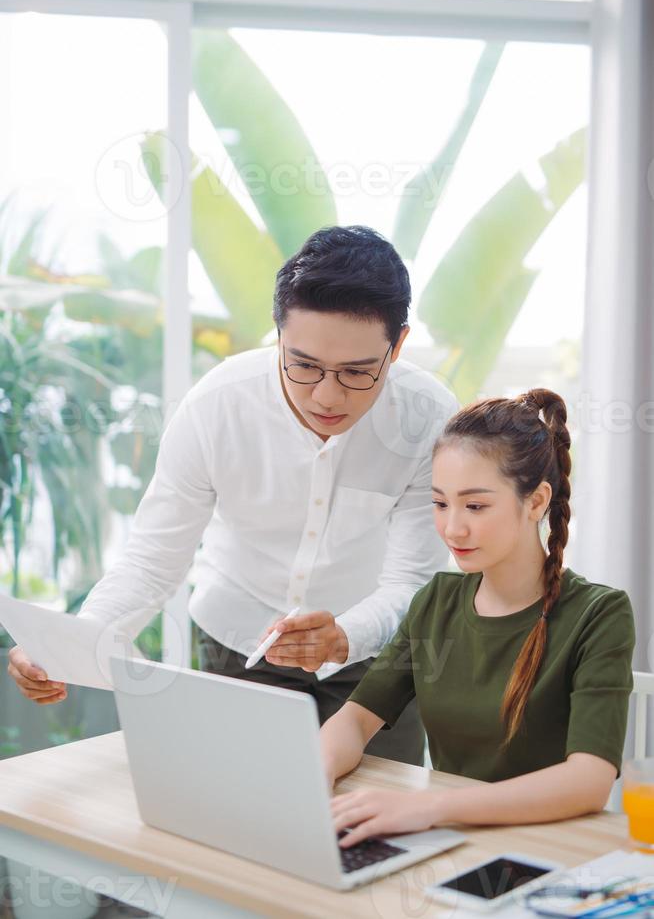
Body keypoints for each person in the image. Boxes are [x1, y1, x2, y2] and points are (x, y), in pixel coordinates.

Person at [8, 225, 457, 766]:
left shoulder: (427, 417)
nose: (327, 395)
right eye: (305, 365)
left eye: (358, 372)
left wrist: (344, 636)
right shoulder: (217, 406)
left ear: (398, 345)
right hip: (234, 646)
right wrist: (72, 648)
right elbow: (152, 561)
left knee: (375, 830)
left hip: (374, 658)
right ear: (277, 335)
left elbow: (413, 581)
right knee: (234, 822)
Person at [321, 389, 636, 846]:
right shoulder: (436, 601)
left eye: (475, 506)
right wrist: (316, 776)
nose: (453, 528)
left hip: (548, 845)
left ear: (535, 502)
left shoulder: (598, 614)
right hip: (451, 840)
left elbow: (588, 780)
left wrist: (430, 808)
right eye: (440, 503)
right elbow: (354, 720)